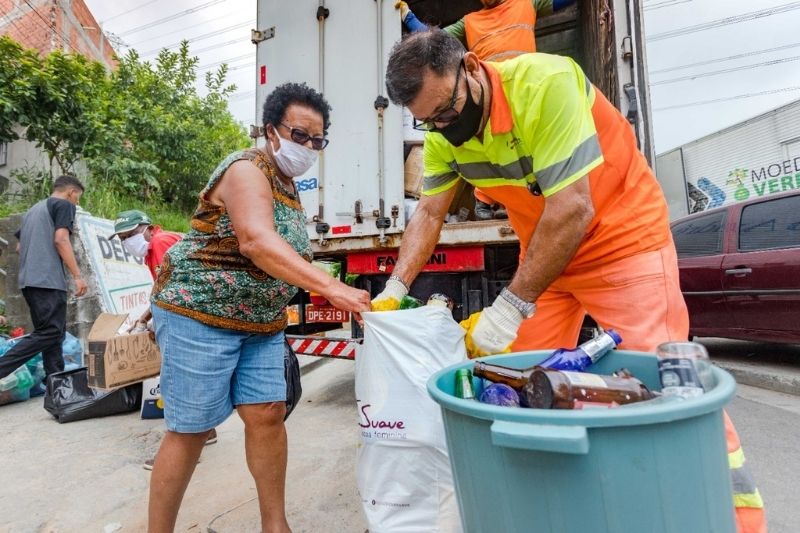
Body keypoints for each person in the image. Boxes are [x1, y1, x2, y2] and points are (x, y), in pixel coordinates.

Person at [375, 30, 766, 532]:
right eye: (427, 121)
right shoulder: (441, 134)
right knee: (517, 383)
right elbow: (428, 212)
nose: (444, 130)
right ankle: (558, 506)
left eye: (447, 113)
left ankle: (735, 518)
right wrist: (396, 287)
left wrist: (510, 307)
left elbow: (573, 208)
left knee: (669, 386)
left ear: (471, 67)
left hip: (624, 245)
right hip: (548, 258)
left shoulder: (546, 84)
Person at [146, 82, 371, 533]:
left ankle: (276, 525)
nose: (307, 146)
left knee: (268, 413)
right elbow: (256, 241)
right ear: (271, 130)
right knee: (191, 427)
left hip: (260, 321)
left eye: (317, 139)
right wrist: (333, 289)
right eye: (299, 134)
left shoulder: (288, 184)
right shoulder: (246, 169)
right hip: (199, 311)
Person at [396, 0, 575, 220]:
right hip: (489, 99)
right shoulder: (470, 22)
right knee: (489, 150)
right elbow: (434, 43)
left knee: (530, 155)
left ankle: (516, 201)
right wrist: (408, 16)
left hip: (525, 97)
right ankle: (485, 200)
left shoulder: (527, 4)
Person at [108, 210, 211, 468]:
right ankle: (205, 432)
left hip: (191, 318)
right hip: (194, 316)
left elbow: (179, 286)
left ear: (149, 228)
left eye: (130, 234)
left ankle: (182, 454)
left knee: (178, 384)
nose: (127, 241)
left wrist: (159, 320)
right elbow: (162, 289)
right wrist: (145, 318)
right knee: (193, 381)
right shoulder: (153, 251)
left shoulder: (161, 242)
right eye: (122, 238)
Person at [0, 175, 87, 380]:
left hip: (29, 280)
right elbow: (61, 239)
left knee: (54, 335)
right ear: (71, 192)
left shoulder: (33, 210)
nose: (77, 202)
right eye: (78, 197)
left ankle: (57, 387)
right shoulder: (63, 205)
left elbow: (20, 247)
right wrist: (77, 276)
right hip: (47, 280)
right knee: (50, 333)